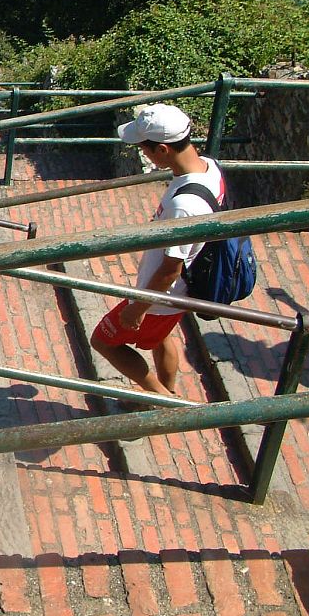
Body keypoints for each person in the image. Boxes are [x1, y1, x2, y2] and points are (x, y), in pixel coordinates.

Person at [90, 104, 226, 397]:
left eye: (145, 149)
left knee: (103, 341)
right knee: (161, 337)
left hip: (160, 296)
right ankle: (169, 391)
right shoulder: (210, 168)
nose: (144, 155)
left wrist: (137, 308)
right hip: (176, 295)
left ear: (162, 150)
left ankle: (161, 401)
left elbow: (169, 269)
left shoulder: (185, 205)